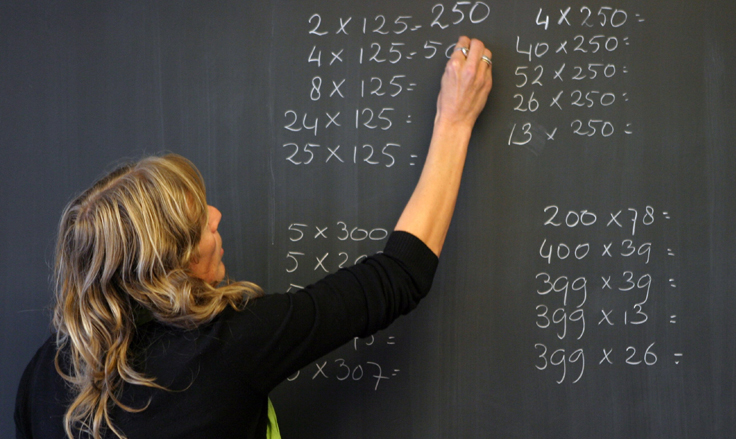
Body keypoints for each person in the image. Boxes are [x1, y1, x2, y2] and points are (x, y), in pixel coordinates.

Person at [15, 36, 492, 439]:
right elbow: (399, 275)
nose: (217, 217)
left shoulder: (44, 375)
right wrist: (454, 123)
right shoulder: (224, 348)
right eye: (200, 222)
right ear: (170, 264)